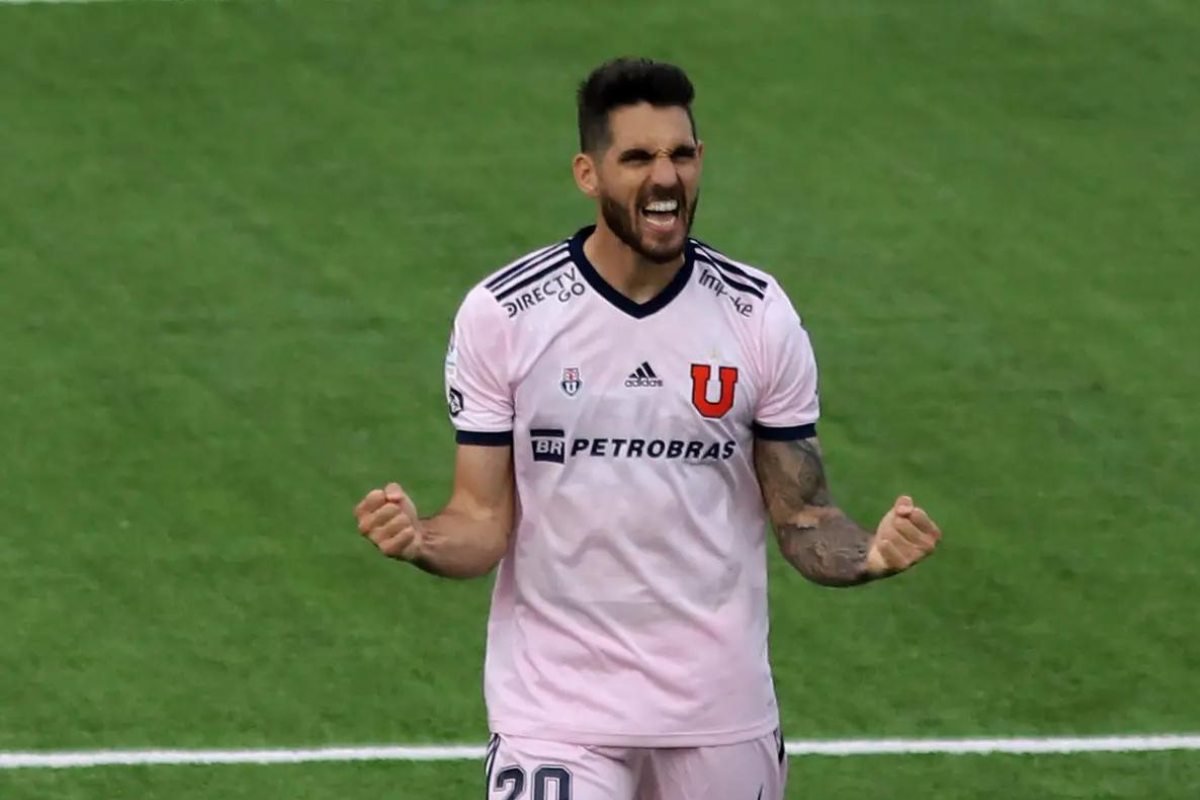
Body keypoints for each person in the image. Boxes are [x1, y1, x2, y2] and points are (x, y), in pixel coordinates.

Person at [354, 57, 942, 800]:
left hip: (718, 712)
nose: (665, 178)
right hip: (556, 713)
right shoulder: (506, 315)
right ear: (588, 173)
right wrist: (423, 541)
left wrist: (869, 554)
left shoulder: (756, 315)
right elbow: (481, 518)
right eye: (638, 157)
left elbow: (803, 518)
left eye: (681, 155)